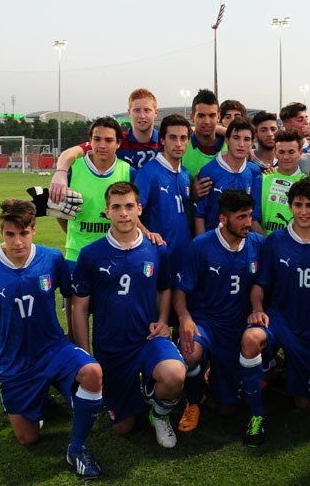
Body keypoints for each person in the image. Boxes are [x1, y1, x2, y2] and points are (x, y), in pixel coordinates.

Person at [0, 199, 104, 478]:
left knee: (92, 373)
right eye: (10, 234)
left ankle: (77, 448)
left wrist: (72, 334)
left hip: (53, 349)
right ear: (1, 232)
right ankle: (41, 399)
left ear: (34, 230)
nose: (17, 242)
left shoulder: (52, 258)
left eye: (24, 233)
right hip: (15, 362)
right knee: (28, 438)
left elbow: (70, 295)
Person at [70, 182, 186, 449]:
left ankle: (159, 413)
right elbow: (79, 307)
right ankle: (140, 392)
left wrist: (163, 319)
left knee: (174, 376)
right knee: (123, 427)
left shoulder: (157, 249)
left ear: (139, 209)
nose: (124, 213)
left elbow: (164, 287)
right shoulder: (91, 255)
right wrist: (86, 355)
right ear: (107, 211)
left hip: (147, 339)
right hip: (111, 348)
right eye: (117, 207)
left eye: (129, 206)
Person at [239, 178, 310, 446]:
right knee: (251, 339)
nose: (303, 211)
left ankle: (276, 368)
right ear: (289, 206)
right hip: (279, 319)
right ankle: (257, 414)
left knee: (304, 404)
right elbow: (260, 285)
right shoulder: (275, 240)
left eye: (309, 205)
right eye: (298, 205)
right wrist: (257, 309)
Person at [174, 189, 264, 432]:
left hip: (236, 326)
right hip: (205, 321)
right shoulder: (201, 245)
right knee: (190, 352)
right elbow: (180, 291)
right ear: (223, 219)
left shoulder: (257, 243)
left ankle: (214, 378)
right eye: (241, 217)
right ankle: (193, 400)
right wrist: (184, 318)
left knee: (227, 409)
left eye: (250, 216)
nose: (248, 223)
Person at [50, 88, 160, 201]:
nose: (142, 115)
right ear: (129, 112)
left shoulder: (165, 143)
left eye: (147, 110)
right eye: (137, 110)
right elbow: (71, 152)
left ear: (156, 112)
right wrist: (61, 173)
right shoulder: (114, 140)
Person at [59, 117, 138, 271]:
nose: (102, 145)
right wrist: (76, 235)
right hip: (77, 255)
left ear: (118, 143)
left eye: (108, 140)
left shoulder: (129, 172)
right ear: (90, 141)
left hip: (116, 255)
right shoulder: (73, 169)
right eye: (97, 139)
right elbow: (59, 212)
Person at [134, 114, 193, 260]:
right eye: (173, 137)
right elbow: (132, 212)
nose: (178, 144)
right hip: (158, 254)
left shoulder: (186, 174)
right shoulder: (148, 172)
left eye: (183, 138)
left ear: (188, 141)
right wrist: (147, 234)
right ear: (162, 140)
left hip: (184, 255)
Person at [193, 117, 261, 234]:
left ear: (252, 143)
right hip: (213, 241)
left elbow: (254, 217)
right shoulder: (208, 171)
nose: (241, 144)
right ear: (227, 140)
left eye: (246, 139)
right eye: (236, 138)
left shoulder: (254, 171)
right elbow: (199, 215)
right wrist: (202, 243)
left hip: (242, 241)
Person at [251, 129, 306, 235]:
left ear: (300, 153)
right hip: (266, 242)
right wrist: (267, 243)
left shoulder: (307, 183)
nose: (286, 157)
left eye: (291, 152)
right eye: (281, 152)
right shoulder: (262, 179)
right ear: (275, 153)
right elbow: (253, 220)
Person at [183, 89, 227, 178]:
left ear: (218, 117)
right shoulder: (182, 146)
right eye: (201, 116)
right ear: (192, 117)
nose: (207, 121)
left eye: (212, 115)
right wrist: (192, 187)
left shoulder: (231, 145)